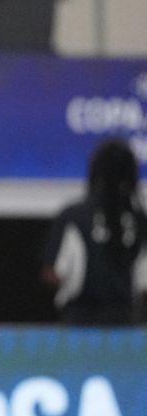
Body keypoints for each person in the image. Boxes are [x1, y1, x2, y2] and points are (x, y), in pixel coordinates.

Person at [43, 139, 147, 325]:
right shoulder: (140, 220)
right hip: (127, 330)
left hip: (79, 326)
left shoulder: (74, 216)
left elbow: (53, 274)